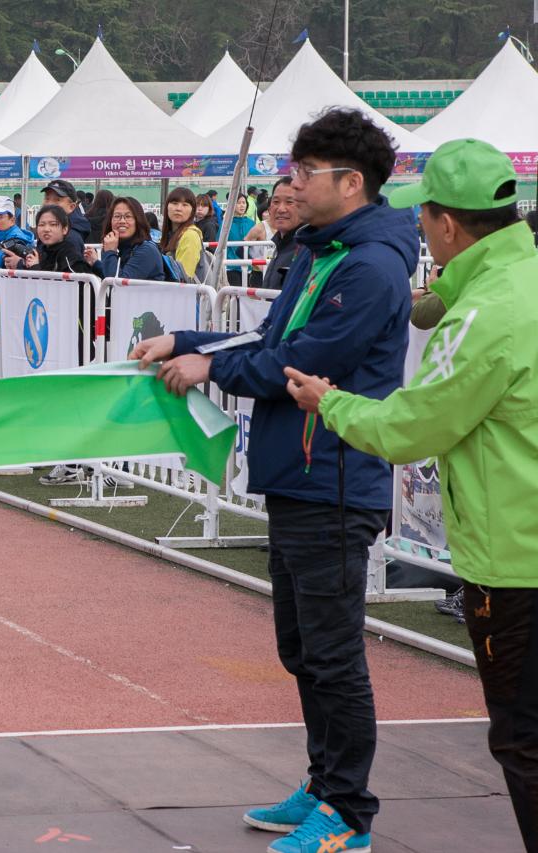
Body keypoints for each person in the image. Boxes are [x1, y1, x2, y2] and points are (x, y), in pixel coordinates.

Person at [133, 108, 417, 853]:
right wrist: (187, 340)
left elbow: (300, 365)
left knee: (332, 652)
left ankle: (349, 812)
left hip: (336, 478)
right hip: (298, 475)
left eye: (302, 174)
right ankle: (325, 782)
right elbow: (268, 336)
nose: (287, 187)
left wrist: (208, 366)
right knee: (301, 647)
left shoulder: (370, 266)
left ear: (350, 183)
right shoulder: (322, 252)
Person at [285, 138, 538, 853]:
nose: (418, 233)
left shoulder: (487, 316)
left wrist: (330, 402)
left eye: (423, 220)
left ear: (447, 226)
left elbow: (410, 426)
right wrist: (432, 298)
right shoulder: (516, 277)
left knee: (523, 738)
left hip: (518, 559)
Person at [245, 177, 305, 291]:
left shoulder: (309, 251)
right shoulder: (280, 245)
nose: (281, 209)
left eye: (290, 202)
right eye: (276, 202)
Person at [84, 196, 165, 280]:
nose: (122, 221)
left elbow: (119, 284)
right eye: (117, 216)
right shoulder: (124, 248)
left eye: (128, 216)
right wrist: (95, 263)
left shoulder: (147, 250)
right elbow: (114, 274)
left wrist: (110, 252)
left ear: (138, 221)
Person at [16, 205, 92, 274]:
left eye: (53, 224)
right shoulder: (39, 251)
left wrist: (35, 267)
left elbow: (69, 285)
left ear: (65, 229)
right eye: (41, 225)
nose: (46, 229)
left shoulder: (69, 252)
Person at [159, 187, 203, 280]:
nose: (178, 208)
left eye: (185, 205)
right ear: (167, 206)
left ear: (192, 211)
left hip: (185, 293)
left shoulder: (190, 236)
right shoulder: (170, 234)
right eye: (174, 203)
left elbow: (183, 278)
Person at [41, 179, 91, 252]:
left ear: (71, 207)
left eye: (57, 200)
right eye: (47, 198)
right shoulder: (50, 231)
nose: (49, 204)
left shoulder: (70, 239)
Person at [224, 194, 257, 285]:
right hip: (231, 267)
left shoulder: (252, 223)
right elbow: (219, 243)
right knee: (236, 296)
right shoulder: (226, 224)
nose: (242, 205)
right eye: (238, 203)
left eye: (244, 202)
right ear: (231, 205)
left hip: (249, 266)